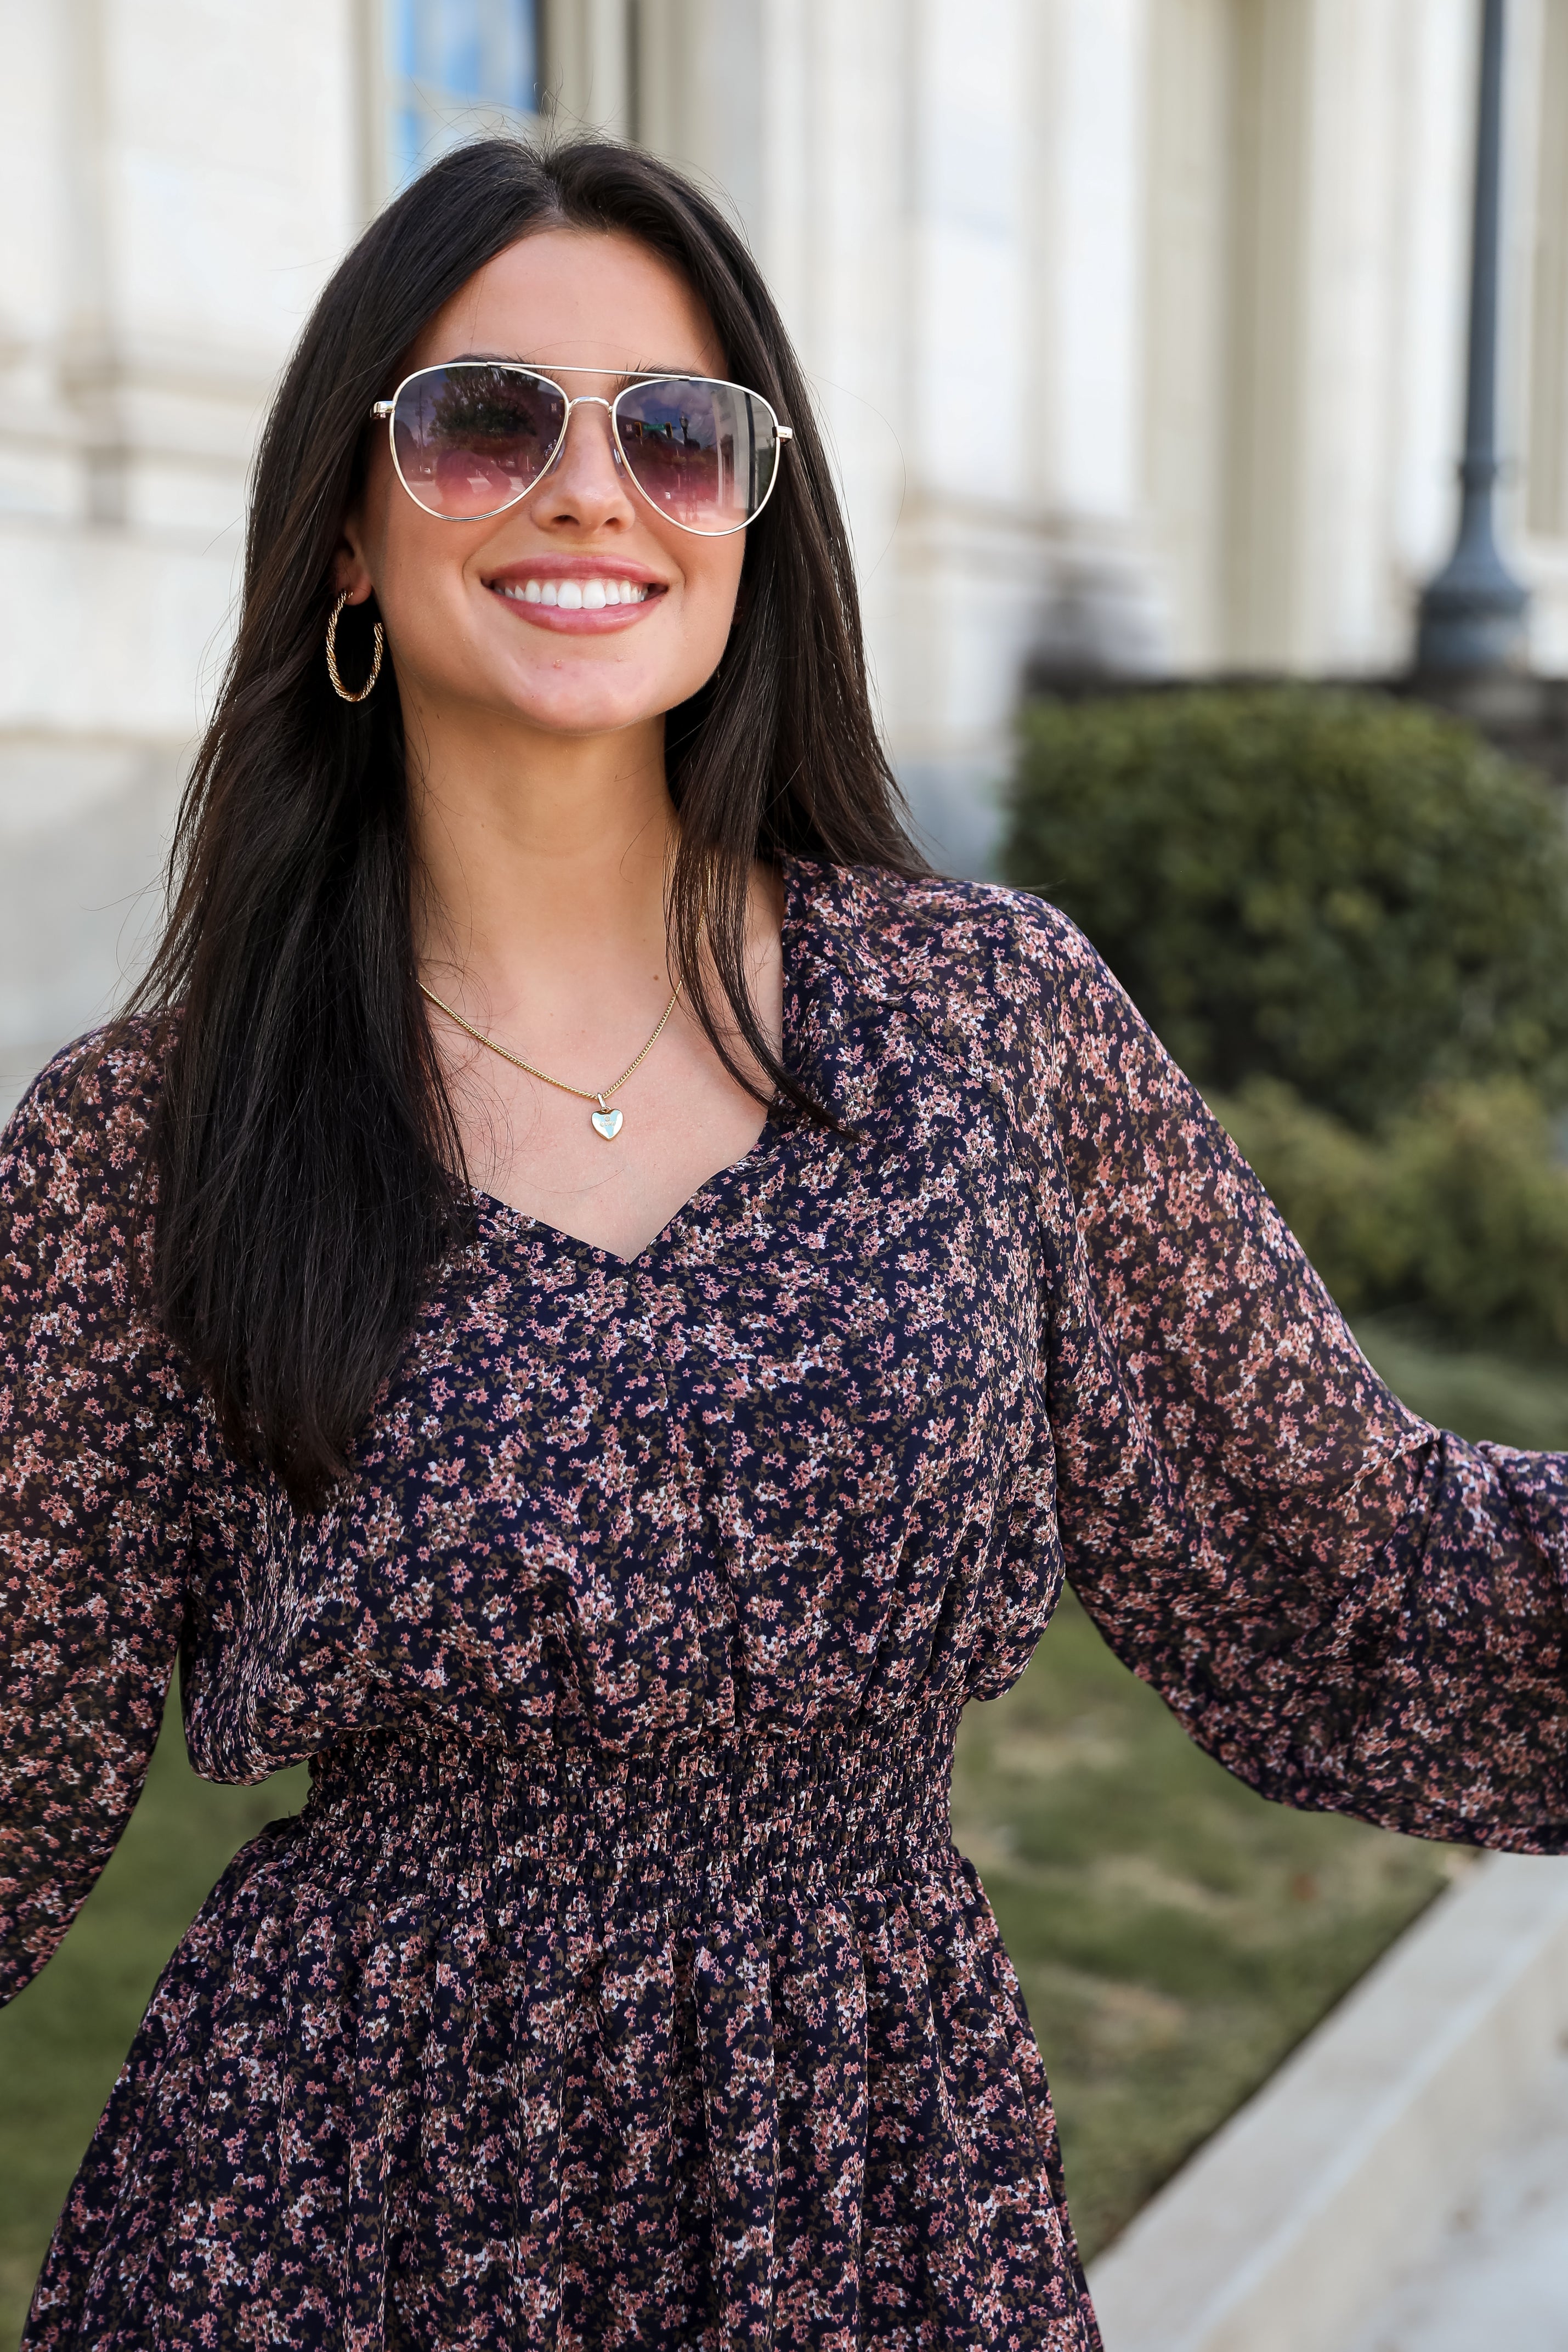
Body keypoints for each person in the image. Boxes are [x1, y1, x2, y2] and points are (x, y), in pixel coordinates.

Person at [2, 134, 1565, 2352]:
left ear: (751, 522)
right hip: (325, 2216)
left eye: (672, 432)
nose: (589, 492)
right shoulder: (152, 1140)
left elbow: (1354, 1575)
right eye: (485, 423)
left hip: (871, 2191)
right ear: (345, 526)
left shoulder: (979, 1022)